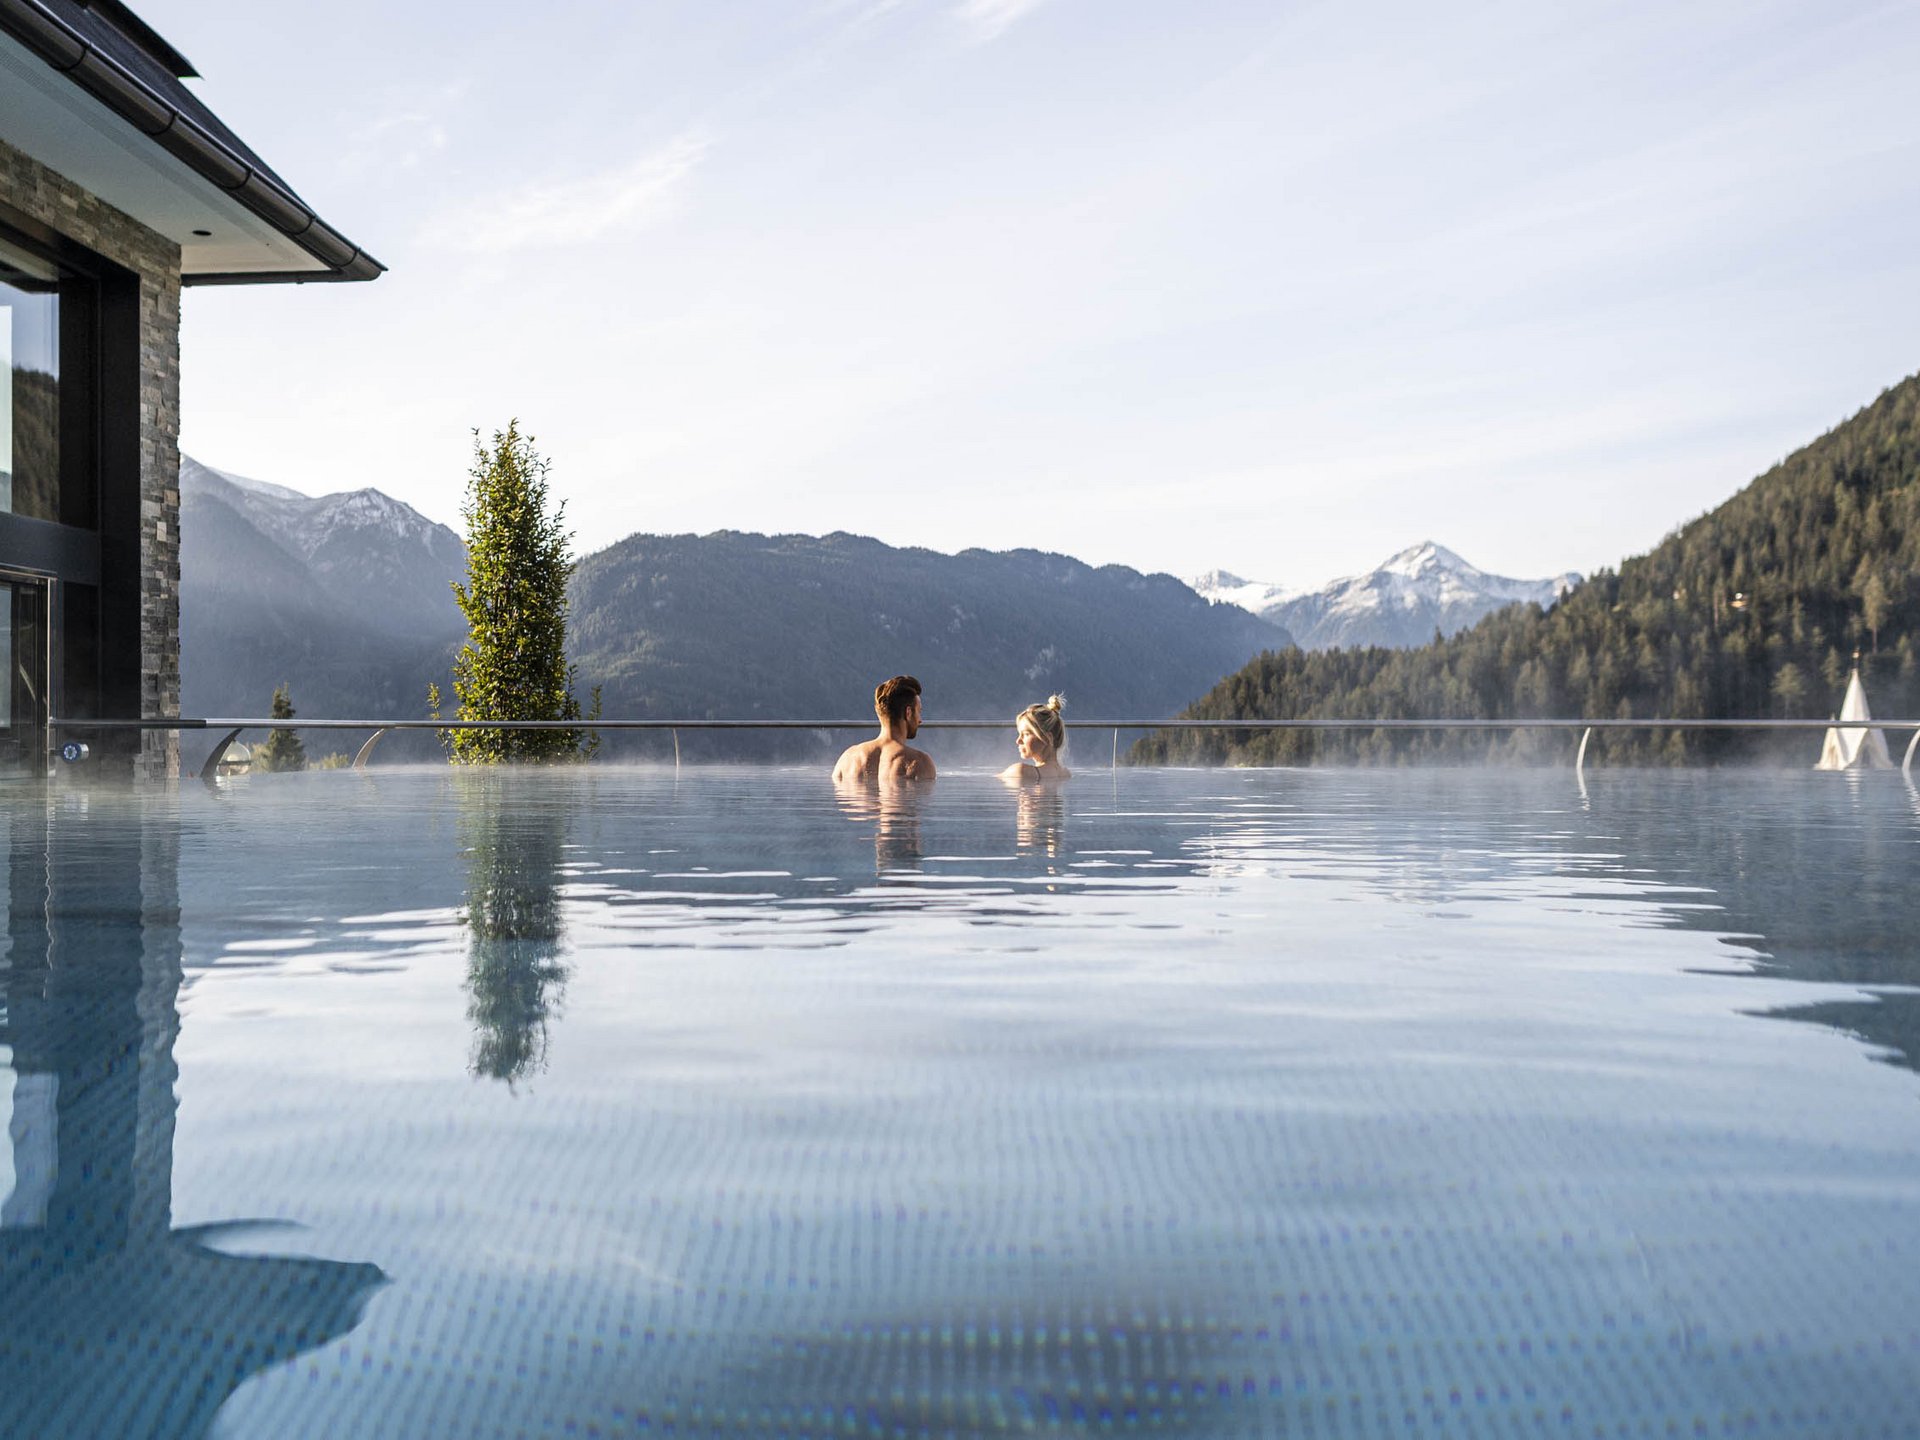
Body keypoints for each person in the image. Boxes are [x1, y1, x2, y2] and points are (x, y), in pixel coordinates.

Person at [833, 674, 937, 783]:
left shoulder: (847, 759)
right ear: (908, 713)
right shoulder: (919, 763)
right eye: (919, 712)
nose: (920, 720)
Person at [1000, 694, 1071, 784]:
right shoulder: (1066, 774)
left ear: (1047, 737)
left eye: (1026, 734)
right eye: (1019, 734)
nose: (1018, 741)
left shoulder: (1022, 772)